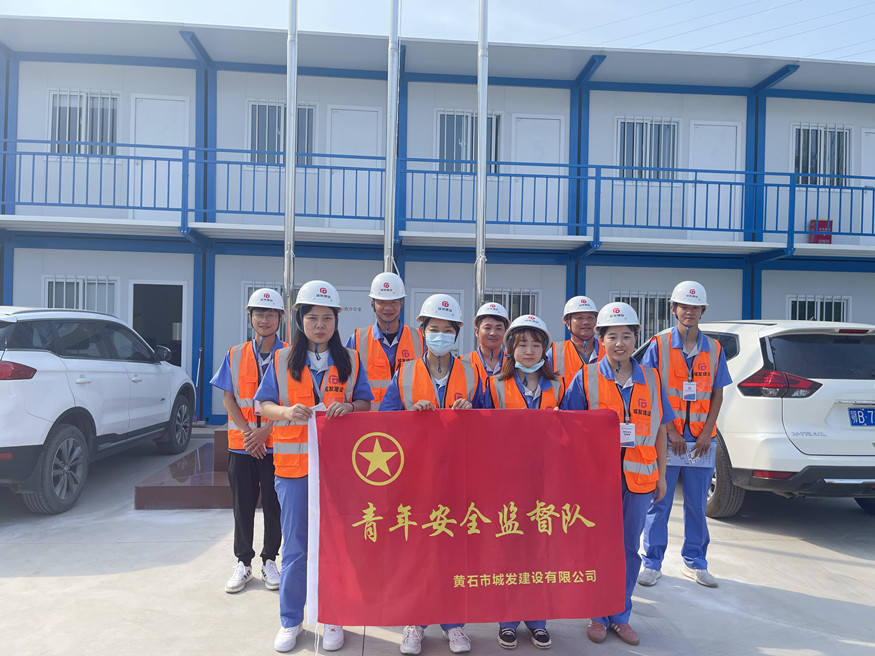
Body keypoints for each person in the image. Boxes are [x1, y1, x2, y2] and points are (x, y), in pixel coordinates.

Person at [255, 280, 374, 653]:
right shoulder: (282, 360)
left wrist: (349, 407)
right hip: (293, 471)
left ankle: (333, 616)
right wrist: (286, 412)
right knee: (295, 549)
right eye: (312, 318)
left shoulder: (351, 359)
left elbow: (366, 402)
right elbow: (263, 404)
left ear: (337, 320)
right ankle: (291, 620)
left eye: (327, 318)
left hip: (339, 473)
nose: (320, 325)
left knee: (337, 546)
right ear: (300, 320)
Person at [379, 293, 488, 655]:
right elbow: (384, 423)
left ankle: (454, 624)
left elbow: (490, 422)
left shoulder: (472, 373)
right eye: (434, 328)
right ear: (422, 330)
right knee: (417, 551)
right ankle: (416, 622)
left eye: (447, 329)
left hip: (458, 476)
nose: (440, 335)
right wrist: (411, 415)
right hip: (416, 477)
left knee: (455, 552)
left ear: (458, 332)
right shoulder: (405, 373)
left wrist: (472, 412)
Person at [560, 302, 673, 648]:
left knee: (628, 548)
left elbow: (660, 430)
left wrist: (662, 476)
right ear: (601, 339)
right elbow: (568, 429)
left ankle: (621, 615)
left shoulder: (651, 378)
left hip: (639, 479)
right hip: (597, 481)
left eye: (626, 336)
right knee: (598, 546)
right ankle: (597, 614)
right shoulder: (586, 377)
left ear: (636, 337)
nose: (619, 343)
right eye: (612, 336)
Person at [638, 281, 731, 590]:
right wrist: (671, 431)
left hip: (702, 442)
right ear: (673, 309)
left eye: (695, 307)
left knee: (697, 505)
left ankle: (695, 562)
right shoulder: (659, 345)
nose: (689, 312)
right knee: (659, 502)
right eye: (684, 307)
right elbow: (650, 391)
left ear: (703, 311)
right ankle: (652, 563)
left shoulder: (715, 349)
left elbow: (717, 394)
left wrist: (706, 433)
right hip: (668, 439)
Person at [490, 314, 562, 650]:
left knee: (541, 550)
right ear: (511, 349)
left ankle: (537, 620)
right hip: (506, 481)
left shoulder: (559, 385)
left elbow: (577, 431)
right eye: (522, 345)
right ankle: (507, 620)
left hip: (546, 482)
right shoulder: (494, 385)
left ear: (545, 349)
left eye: (536, 344)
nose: (529, 351)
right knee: (509, 548)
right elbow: (480, 429)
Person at [209, 287, 285, 595]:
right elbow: (228, 399)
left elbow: (294, 399)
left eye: (270, 314)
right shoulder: (235, 353)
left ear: (280, 318)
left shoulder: (289, 354)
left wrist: (265, 431)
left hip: (277, 445)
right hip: (242, 446)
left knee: (274, 505)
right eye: (259, 314)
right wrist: (249, 434)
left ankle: (270, 560)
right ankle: (243, 562)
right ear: (249, 316)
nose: (264, 319)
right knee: (242, 506)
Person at [348, 271, 423, 411]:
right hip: (370, 421)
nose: (388, 308)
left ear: (401, 304)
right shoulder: (357, 340)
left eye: (394, 302)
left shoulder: (419, 339)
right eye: (381, 302)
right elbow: (347, 384)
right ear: (372, 304)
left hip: (408, 419)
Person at [548, 296, 601, 388]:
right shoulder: (554, 353)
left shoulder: (607, 350)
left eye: (590, 317)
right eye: (579, 318)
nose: (586, 322)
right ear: (568, 323)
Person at [461, 301, 509, 382]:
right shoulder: (462, 362)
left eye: (498, 328)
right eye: (487, 328)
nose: (493, 333)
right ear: (477, 332)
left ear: (505, 332)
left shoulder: (513, 363)